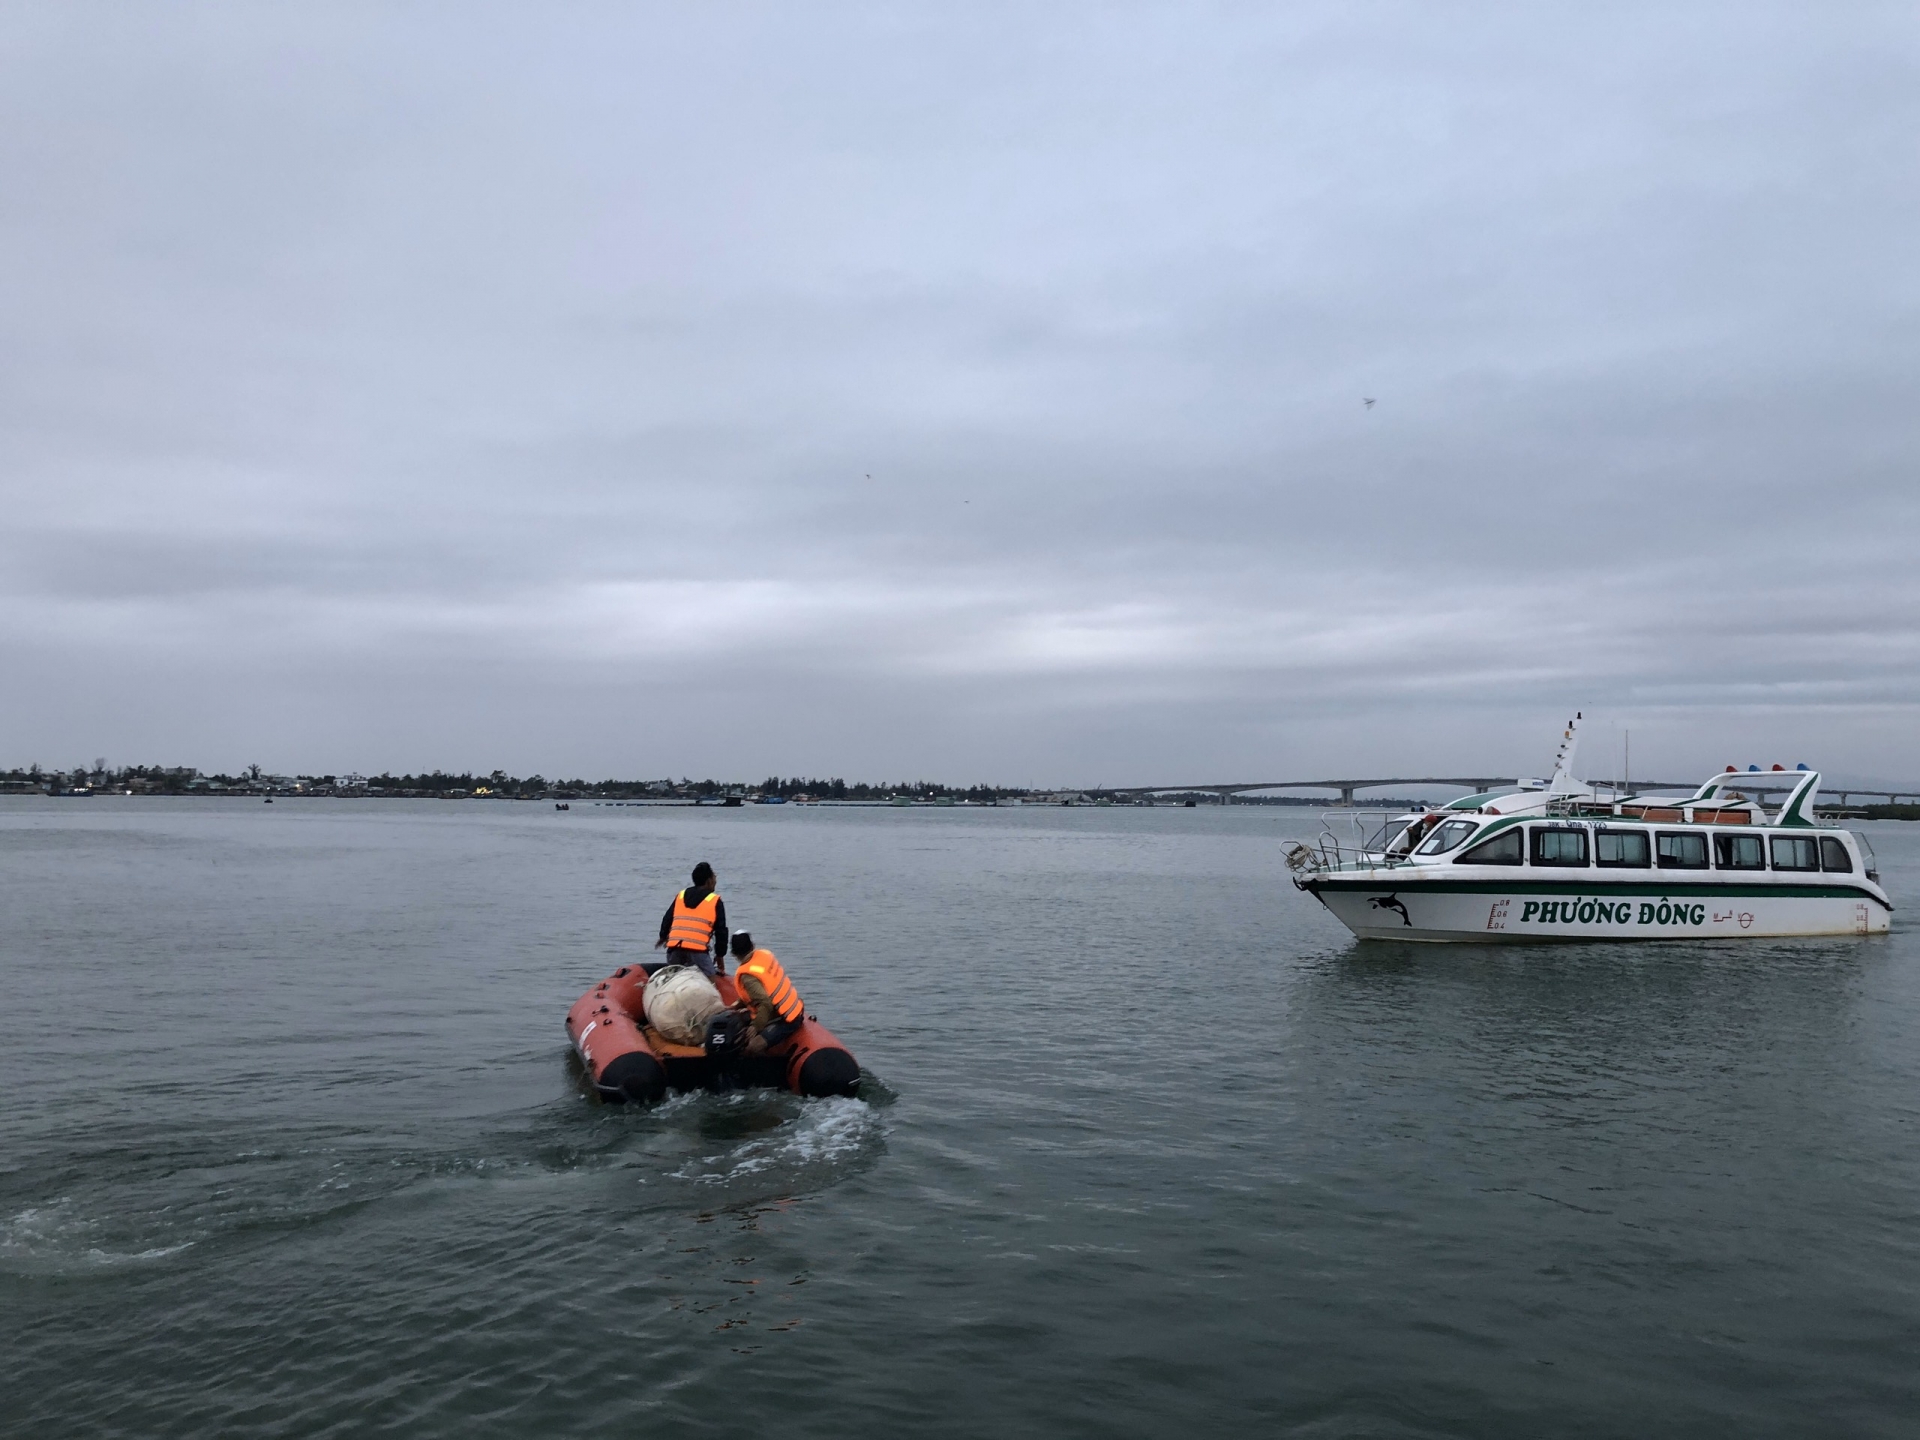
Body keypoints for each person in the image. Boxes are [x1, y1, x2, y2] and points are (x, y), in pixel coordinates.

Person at [728, 933, 806, 1051]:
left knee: (751, 1046)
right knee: (739, 1019)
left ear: (734, 954)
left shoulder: (747, 976)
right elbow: (764, 990)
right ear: (752, 946)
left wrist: (755, 1027)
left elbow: (765, 1003)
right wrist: (737, 1005)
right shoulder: (765, 955)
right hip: (793, 1008)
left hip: (786, 1019)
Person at [655, 862, 728, 977]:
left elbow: (667, 919)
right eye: (714, 877)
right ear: (709, 881)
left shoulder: (681, 895)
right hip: (697, 951)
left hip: (674, 950)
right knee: (711, 979)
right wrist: (720, 959)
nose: (715, 880)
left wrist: (663, 937)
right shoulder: (715, 900)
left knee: (672, 978)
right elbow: (721, 933)